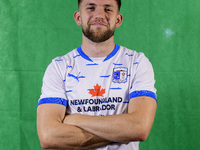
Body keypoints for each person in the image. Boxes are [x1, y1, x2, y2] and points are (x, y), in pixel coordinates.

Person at [37, 0, 157, 149]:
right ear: (78, 18)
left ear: (118, 20)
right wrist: (122, 132)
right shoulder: (59, 67)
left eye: (108, 9)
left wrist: (75, 119)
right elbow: (49, 136)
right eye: (91, 8)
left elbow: (139, 128)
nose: (99, 15)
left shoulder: (137, 63)